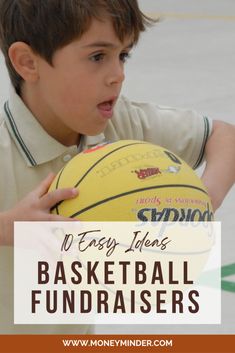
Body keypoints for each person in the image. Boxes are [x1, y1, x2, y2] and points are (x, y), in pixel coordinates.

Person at [0, 0, 234, 334]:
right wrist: (7, 227)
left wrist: (204, 199)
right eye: (98, 57)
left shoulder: (120, 124)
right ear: (27, 62)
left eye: (122, 55)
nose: (118, 75)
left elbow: (224, 136)